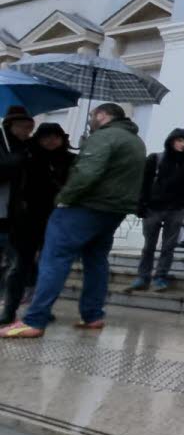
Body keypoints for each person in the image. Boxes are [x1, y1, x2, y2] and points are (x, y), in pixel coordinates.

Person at [2, 104, 146, 339]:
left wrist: (64, 198)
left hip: (85, 207)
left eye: (91, 116)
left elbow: (87, 173)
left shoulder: (104, 137)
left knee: (53, 259)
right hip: (113, 210)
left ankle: (34, 320)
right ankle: (93, 315)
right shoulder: (135, 140)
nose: (90, 120)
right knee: (96, 260)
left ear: (102, 115)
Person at [2, 123, 74, 325]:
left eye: (55, 137)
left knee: (49, 267)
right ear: (38, 138)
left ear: (62, 139)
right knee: (19, 266)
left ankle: (41, 308)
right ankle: (9, 309)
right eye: (45, 137)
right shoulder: (27, 157)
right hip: (26, 220)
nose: (50, 141)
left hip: (58, 219)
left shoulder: (71, 160)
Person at [130, 129, 184, 292]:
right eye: (179, 140)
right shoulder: (155, 158)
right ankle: (143, 277)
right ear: (171, 141)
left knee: (168, 246)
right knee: (149, 246)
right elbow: (143, 183)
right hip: (153, 209)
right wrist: (140, 205)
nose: (183, 144)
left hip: (176, 209)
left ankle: (160, 276)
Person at [0, 106, 35, 298]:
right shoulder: (4, 145)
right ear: (10, 125)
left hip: (17, 212)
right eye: (23, 127)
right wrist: (13, 162)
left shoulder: (27, 147)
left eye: (29, 128)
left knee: (14, 258)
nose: (26, 131)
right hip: (2, 208)